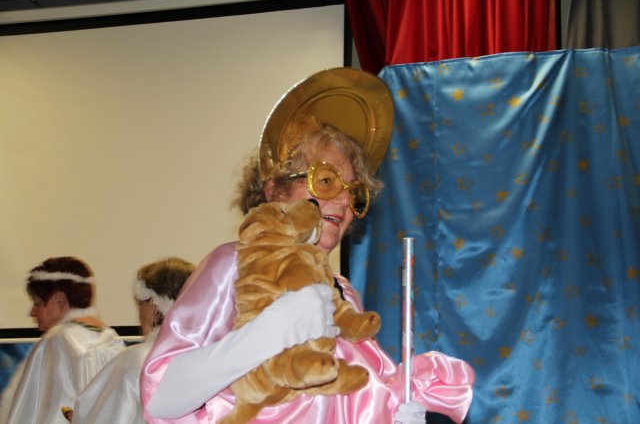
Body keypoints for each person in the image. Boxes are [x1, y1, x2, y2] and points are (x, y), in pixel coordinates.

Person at [140, 67, 475, 424]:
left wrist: (392, 412)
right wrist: (267, 333)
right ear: (275, 190)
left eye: (354, 192)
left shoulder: (344, 294)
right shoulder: (235, 265)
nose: (344, 202)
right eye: (326, 181)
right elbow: (160, 397)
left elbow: (340, 404)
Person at [0, 256, 125, 424]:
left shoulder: (57, 343)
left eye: (37, 303)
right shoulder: (114, 340)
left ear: (60, 301)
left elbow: (36, 414)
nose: (32, 312)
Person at [71, 257, 196, 424]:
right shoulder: (208, 357)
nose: (139, 313)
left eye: (141, 304)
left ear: (154, 306)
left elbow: (107, 417)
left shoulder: (138, 360)